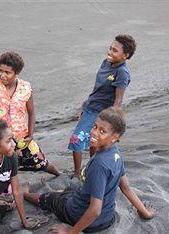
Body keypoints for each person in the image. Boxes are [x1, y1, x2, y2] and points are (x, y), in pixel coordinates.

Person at [24, 107, 154, 233]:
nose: (94, 133)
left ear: (114, 137)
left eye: (102, 131)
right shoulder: (116, 154)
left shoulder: (100, 164)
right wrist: (145, 212)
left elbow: (95, 210)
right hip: (107, 217)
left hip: (86, 220)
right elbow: (126, 187)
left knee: (51, 198)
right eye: (95, 127)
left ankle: (24, 194)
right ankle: (61, 194)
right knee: (71, 189)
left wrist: (71, 232)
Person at [0, 51, 60, 176]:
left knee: (40, 162)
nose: (3, 75)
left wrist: (30, 134)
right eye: (1, 71)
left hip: (21, 137)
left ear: (17, 73)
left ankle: (59, 174)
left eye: (7, 72)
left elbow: (31, 112)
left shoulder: (25, 88)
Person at [69, 34, 137, 178]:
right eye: (110, 48)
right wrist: (85, 105)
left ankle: (79, 174)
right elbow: (98, 88)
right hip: (89, 108)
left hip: (101, 114)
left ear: (125, 55)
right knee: (88, 142)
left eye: (115, 50)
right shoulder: (105, 63)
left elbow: (118, 100)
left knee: (78, 139)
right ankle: (80, 171)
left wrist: (108, 120)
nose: (110, 52)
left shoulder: (122, 73)